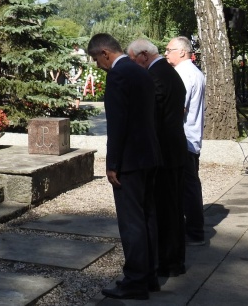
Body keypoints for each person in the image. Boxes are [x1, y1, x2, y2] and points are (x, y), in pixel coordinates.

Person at [87, 33, 161, 300]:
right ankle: (150, 275)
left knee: (132, 223)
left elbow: (117, 124)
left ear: (105, 53)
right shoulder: (141, 72)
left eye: (96, 59)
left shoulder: (118, 75)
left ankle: (135, 280)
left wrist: (113, 164)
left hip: (130, 160)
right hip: (149, 156)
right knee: (148, 217)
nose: (97, 65)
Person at [128, 38, 188, 277]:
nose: (133, 65)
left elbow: (153, 118)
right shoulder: (169, 72)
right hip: (174, 149)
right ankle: (174, 260)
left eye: (133, 59)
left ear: (143, 55)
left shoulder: (156, 76)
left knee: (166, 210)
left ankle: (169, 261)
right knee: (172, 208)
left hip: (165, 153)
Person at [165, 36, 206, 246]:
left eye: (169, 49)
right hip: (191, 138)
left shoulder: (182, 74)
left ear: (182, 52)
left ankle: (194, 232)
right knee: (189, 186)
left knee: (187, 187)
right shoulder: (195, 72)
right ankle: (193, 229)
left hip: (184, 139)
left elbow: (178, 108)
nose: (166, 53)